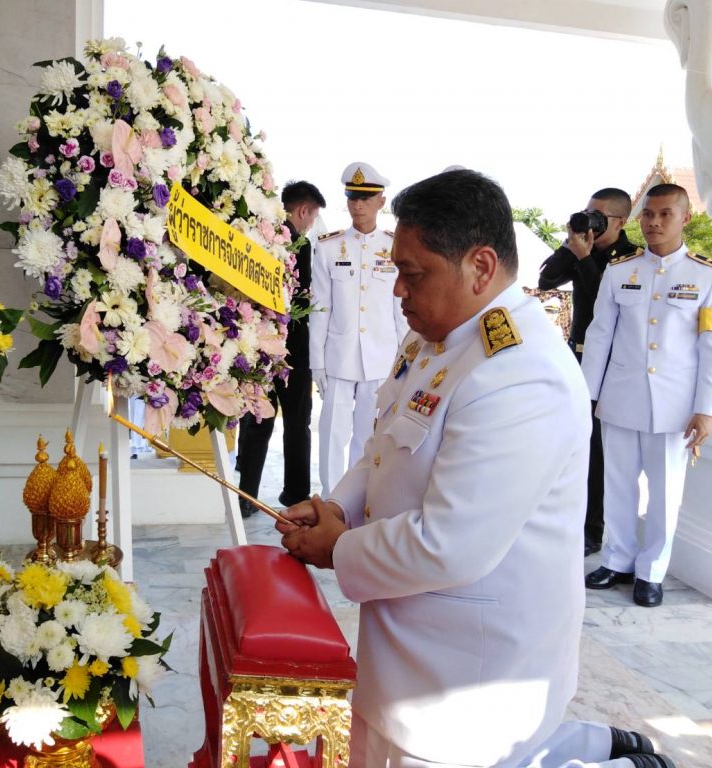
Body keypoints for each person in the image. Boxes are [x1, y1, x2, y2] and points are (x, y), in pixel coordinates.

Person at [278, 169, 673, 768]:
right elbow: (386, 446)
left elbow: (450, 544)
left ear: (480, 267)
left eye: (413, 276)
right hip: (408, 649)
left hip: (468, 680)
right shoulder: (435, 339)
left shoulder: (517, 371)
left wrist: (340, 548)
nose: (398, 293)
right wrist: (339, 506)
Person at [582, 183, 712, 608]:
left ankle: (651, 572)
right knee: (618, 485)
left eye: (666, 214)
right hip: (621, 397)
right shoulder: (619, 270)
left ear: (685, 218)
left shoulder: (708, 275)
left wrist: (707, 409)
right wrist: (586, 397)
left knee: (665, 493)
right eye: (648, 214)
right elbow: (600, 336)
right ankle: (617, 558)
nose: (654, 222)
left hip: (675, 406)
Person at [539, 188, 640, 556]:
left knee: (598, 450)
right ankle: (566, 516)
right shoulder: (581, 246)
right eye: (588, 212)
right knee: (571, 442)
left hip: (612, 365)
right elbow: (547, 279)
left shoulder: (631, 259)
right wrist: (573, 248)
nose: (591, 221)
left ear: (620, 221)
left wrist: (585, 259)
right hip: (576, 358)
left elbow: (610, 301)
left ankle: (593, 530)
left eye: (599, 216)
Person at [309, 162, 407, 495]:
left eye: (366, 198)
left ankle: (356, 496)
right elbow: (320, 308)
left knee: (368, 433)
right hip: (338, 355)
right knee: (332, 431)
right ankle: (331, 496)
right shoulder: (327, 246)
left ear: (381, 201)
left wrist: (405, 360)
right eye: (352, 197)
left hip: (381, 356)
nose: (357, 205)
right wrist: (316, 362)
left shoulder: (395, 247)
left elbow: (400, 310)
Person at [236, 181, 326, 517]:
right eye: (313, 217)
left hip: (259, 346)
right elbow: (302, 296)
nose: (311, 225)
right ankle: (296, 496)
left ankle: (247, 495)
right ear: (303, 211)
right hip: (294, 352)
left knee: (257, 420)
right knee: (297, 424)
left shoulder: (259, 237)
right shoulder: (298, 243)